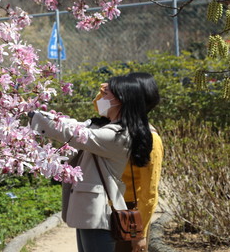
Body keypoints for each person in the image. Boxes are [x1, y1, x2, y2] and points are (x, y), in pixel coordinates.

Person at [29, 75, 153, 252]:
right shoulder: (106, 127)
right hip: (89, 212)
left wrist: (36, 117)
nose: (100, 98)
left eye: (105, 93)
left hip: (98, 214)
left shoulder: (118, 135)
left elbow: (75, 133)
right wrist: (41, 114)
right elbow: (75, 125)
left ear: (120, 100)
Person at [116, 72, 164, 252]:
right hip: (112, 206)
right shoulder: (121, 129)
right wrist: (105, 89)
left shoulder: (150, 138)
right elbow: (99, 106)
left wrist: (139, 233)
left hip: (130, 212)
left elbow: (149, 193)